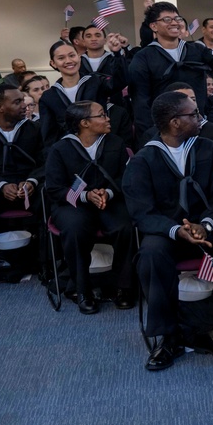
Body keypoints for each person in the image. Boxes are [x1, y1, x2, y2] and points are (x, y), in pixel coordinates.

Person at [123, 91, 213, 372]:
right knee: (150, 255)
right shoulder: (143, 160)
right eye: (193, 114)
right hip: (166, 232)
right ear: (174, 122)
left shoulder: (208, 149)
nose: (199, 117)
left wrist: (206, 224)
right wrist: (175, 230)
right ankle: (168, 335)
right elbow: (141, 213)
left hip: (206, 226)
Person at [44, 101, 133, 313]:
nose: (108, 118)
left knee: (126, 227)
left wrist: (108, 192)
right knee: (75, 230)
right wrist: (86, 196)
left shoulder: (116, 143)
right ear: (84, 123)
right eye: (101, 115)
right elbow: (54, 189)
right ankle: (82, 289)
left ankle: (124, 287)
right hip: (72, 203)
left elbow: (127, 178)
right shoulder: (60, 149)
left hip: (109, 200)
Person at [128, 0, 213, 136]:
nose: (175, 23)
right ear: (154, 26)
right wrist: (148, 135)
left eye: (177, 18)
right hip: (163, 130)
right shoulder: (143, 57)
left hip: (197, 124)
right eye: (167, 19)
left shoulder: (196, 50)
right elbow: (141, 101)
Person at [0, 85, 44, 230]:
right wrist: (1, 186)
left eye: (23, 100)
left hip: (29, 188)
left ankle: (42, 248)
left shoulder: (35, 129)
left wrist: (32, 181)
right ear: (0, 107)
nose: (25, 106)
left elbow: (45, 161)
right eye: (17, 102)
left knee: (49, 195)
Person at [39, 40, 113, 147]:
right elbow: (49, 135)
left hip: (101, 145)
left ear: (79, 56)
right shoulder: (49, 96)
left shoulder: (96, 82)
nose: (68, 61)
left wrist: (117, 53)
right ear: (53, 63)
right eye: (61, 58)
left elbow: (120, 82)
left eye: (72, 55)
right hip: (67, 150)